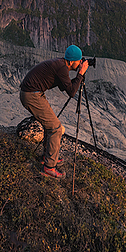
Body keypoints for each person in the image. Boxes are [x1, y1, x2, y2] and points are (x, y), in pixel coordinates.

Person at [19, 44, 89, 178]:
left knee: (50, 125)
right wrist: (80, 74)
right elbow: (71, 92)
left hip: (33, 93)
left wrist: (78, 76)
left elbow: (66, 87)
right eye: (79, 61)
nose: (81, 63)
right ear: (72, 61)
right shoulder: (62, 68)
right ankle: (49, 167)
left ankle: (47, 157)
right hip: (31, 95)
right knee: (56, 128)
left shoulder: (61, 65)